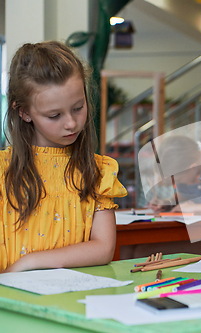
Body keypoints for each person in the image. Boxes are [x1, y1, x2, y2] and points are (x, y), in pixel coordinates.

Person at [0, 41, 127, 273]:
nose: (71, 123)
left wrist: (30, 262)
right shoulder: (2, 172)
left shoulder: (99, 170)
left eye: (78, 107)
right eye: (54, 115)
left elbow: (103, 247)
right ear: (25, 112)